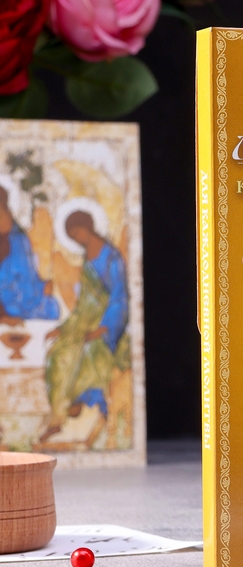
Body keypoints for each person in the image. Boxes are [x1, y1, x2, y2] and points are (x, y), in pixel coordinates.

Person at [41, 210, 130, 442]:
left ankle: (83, 402)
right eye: (72, 236)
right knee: (57, 353)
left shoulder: (111, 258)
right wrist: (62, 329)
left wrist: (104, 328)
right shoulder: (87, 260)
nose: (78, 238)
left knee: (90, 352)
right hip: (85, 324)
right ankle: (58, 415)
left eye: (78, 232)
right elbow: (82, 306)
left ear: (88, 226)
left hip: (109, 327)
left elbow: (119, 298)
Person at [0, 186, 59, 325]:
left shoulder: (20, 239)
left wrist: (42, 286)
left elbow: (30, 275)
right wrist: (2, 316)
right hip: (5, 303)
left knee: (51, 307)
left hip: (27, 299)